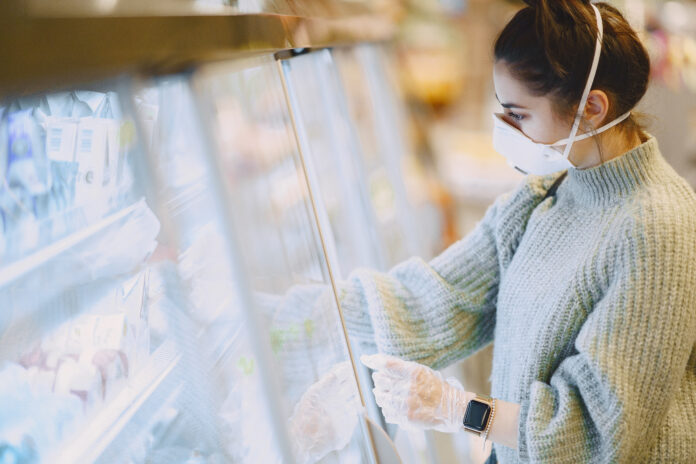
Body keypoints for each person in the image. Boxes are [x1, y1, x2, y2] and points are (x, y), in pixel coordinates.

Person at [337, 1, 696, 463]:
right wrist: (297, 318)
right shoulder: (546, 192)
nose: (505, 129)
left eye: (518, 114)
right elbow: (442, 298)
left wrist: (458, 409)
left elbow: (598, 433)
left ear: (591, 107)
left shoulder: (658, 229)